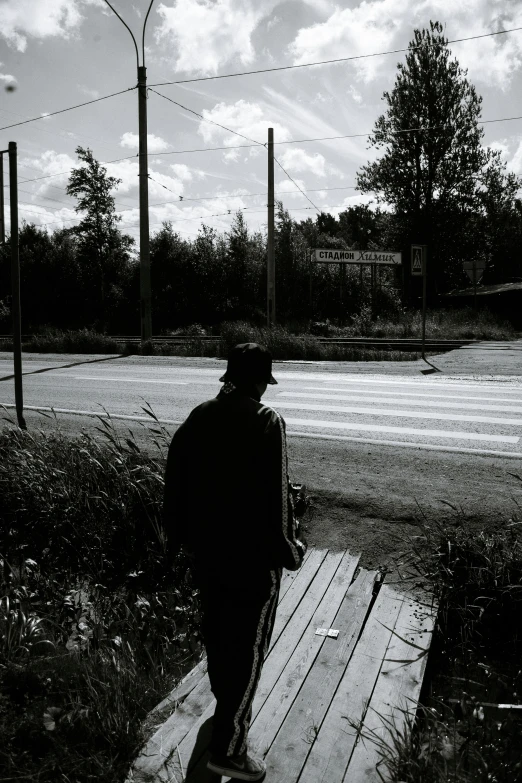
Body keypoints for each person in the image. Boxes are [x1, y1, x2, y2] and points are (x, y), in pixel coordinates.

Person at [162, 342, 307, 782]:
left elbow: (175, 485)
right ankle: (228, 749)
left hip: (207, 557)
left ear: (228, 378)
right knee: (249, 652)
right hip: (252, 563)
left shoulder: (199, 416)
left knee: (220, 637)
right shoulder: (267, 422)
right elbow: (277, 498)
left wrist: (178, 543)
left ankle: (225, 711)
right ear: (261, 381)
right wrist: (290, 550)